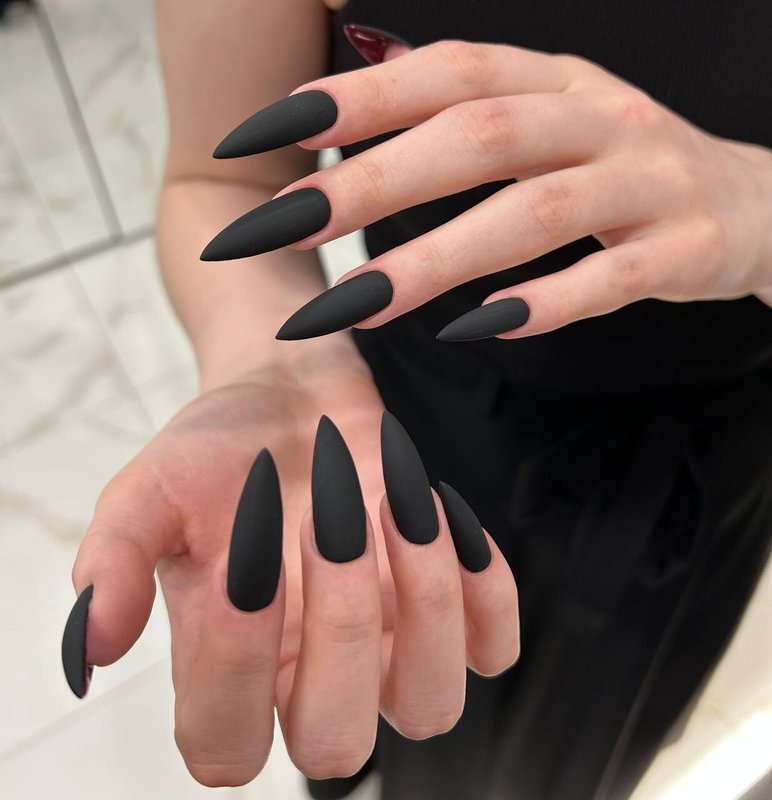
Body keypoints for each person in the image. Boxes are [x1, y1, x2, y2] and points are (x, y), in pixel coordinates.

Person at [61, 1, 772, 798]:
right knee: (378, 694)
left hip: (694, 471)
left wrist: (761, 217)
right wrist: (266, 359)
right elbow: (221, 182)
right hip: (390, 443)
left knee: (576, 750)